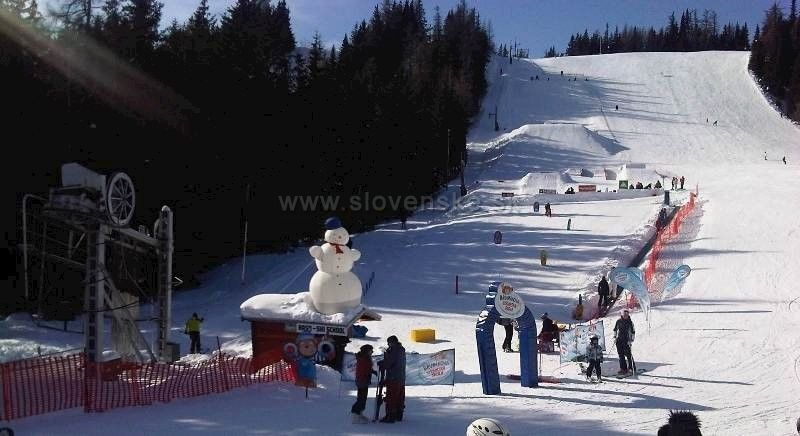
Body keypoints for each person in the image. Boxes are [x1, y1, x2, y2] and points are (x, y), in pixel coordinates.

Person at [378, 336, 406, 423]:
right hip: (401, 377)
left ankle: (390, 416)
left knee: (391, 397)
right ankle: (398, 414)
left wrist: (383, 363)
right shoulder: (401, 349)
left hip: (393, 377)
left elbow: (390, 362)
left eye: (389, 342)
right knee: (399, 397)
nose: (388, 344)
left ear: (392, 342)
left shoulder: (395, 350)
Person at [351, 344, 377, 424]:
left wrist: (372, 371)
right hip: (362, 380)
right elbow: (364, 369)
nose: (372, 352)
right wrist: (369, 373)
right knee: (361, 399)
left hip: (363, 380)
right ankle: (355, 415)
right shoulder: (364, 358)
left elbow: (367, 368)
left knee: (362, 398)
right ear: (367, 351)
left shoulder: (365, 357)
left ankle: (359, 413)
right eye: (371, 350)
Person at [613, 310, 635, 374]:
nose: (625, 316)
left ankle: (631, 368)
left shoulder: (630, 322)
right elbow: (615, 330)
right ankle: (623, 368)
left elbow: (633, 332)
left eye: (627, 314)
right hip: (619, 340)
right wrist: (615, 337)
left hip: (627, 340)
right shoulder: (618, 321)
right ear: (622, 315)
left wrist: (631, 340)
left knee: (628, 355)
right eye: (624, 314)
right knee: (621, 355)